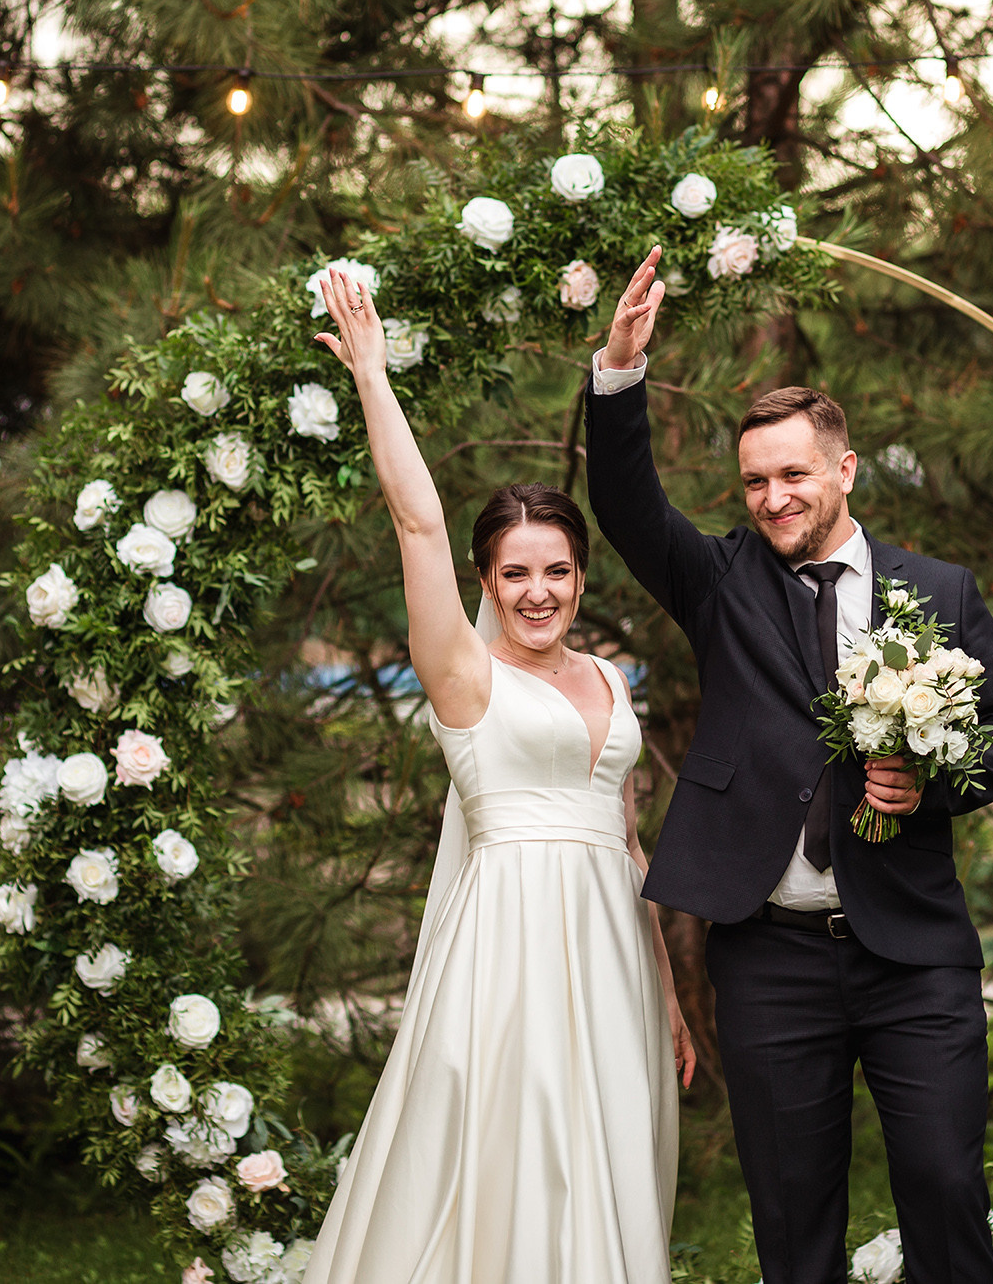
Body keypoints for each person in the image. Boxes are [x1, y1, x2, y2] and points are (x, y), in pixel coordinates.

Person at [584, 247, 993, 1284]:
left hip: (912, 951)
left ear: (842, 469)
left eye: (792, 474)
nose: (771, 497)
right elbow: (622, 506)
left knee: (941, 1186)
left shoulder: (939, 589)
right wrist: (617, 371)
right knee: (792, 1222)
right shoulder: (716, 581)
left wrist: (932, 784)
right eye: (753, 481)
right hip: (769, 955)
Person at [300, 267, 694, 1284]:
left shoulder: (607, 674)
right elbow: (418, 522)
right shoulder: (462, 677)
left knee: (613, 1153)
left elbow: (626, 836)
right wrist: (373, 380)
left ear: (578, 578)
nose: (537, 591)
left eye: (556, 570)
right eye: (514, 572)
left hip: (610, 950)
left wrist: (664, 993)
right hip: (507, 954)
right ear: (485, 580)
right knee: (512, 1161)